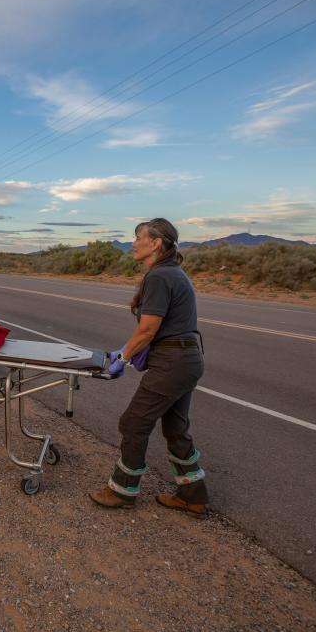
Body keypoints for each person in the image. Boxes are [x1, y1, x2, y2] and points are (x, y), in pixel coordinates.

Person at [89, 218, 210, 517]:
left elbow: (147, 330)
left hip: (172, 362)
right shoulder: (172, 272)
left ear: (156, 243)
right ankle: (193, 495)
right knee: (175, 427)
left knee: (133, 423)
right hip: (186, 358)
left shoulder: (159, 277)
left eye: (138, 237)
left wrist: (124, 358)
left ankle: (122, 491)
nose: (133, 243)